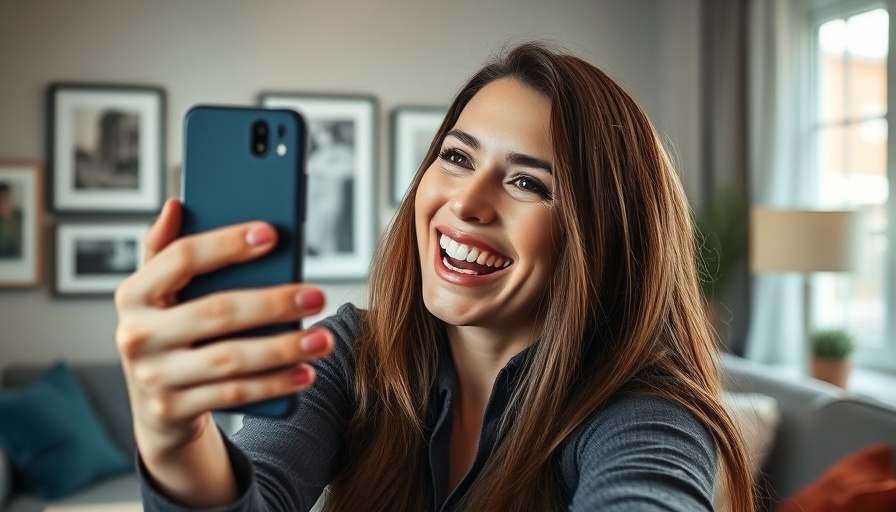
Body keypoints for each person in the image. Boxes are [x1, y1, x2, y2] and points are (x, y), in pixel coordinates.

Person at [115, 41, 755, 511]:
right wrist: (174, 439)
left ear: (603, 238)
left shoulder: (644, 411)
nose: (467, 203)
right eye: (456, 157)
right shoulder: (349, 355)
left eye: (527, 182)